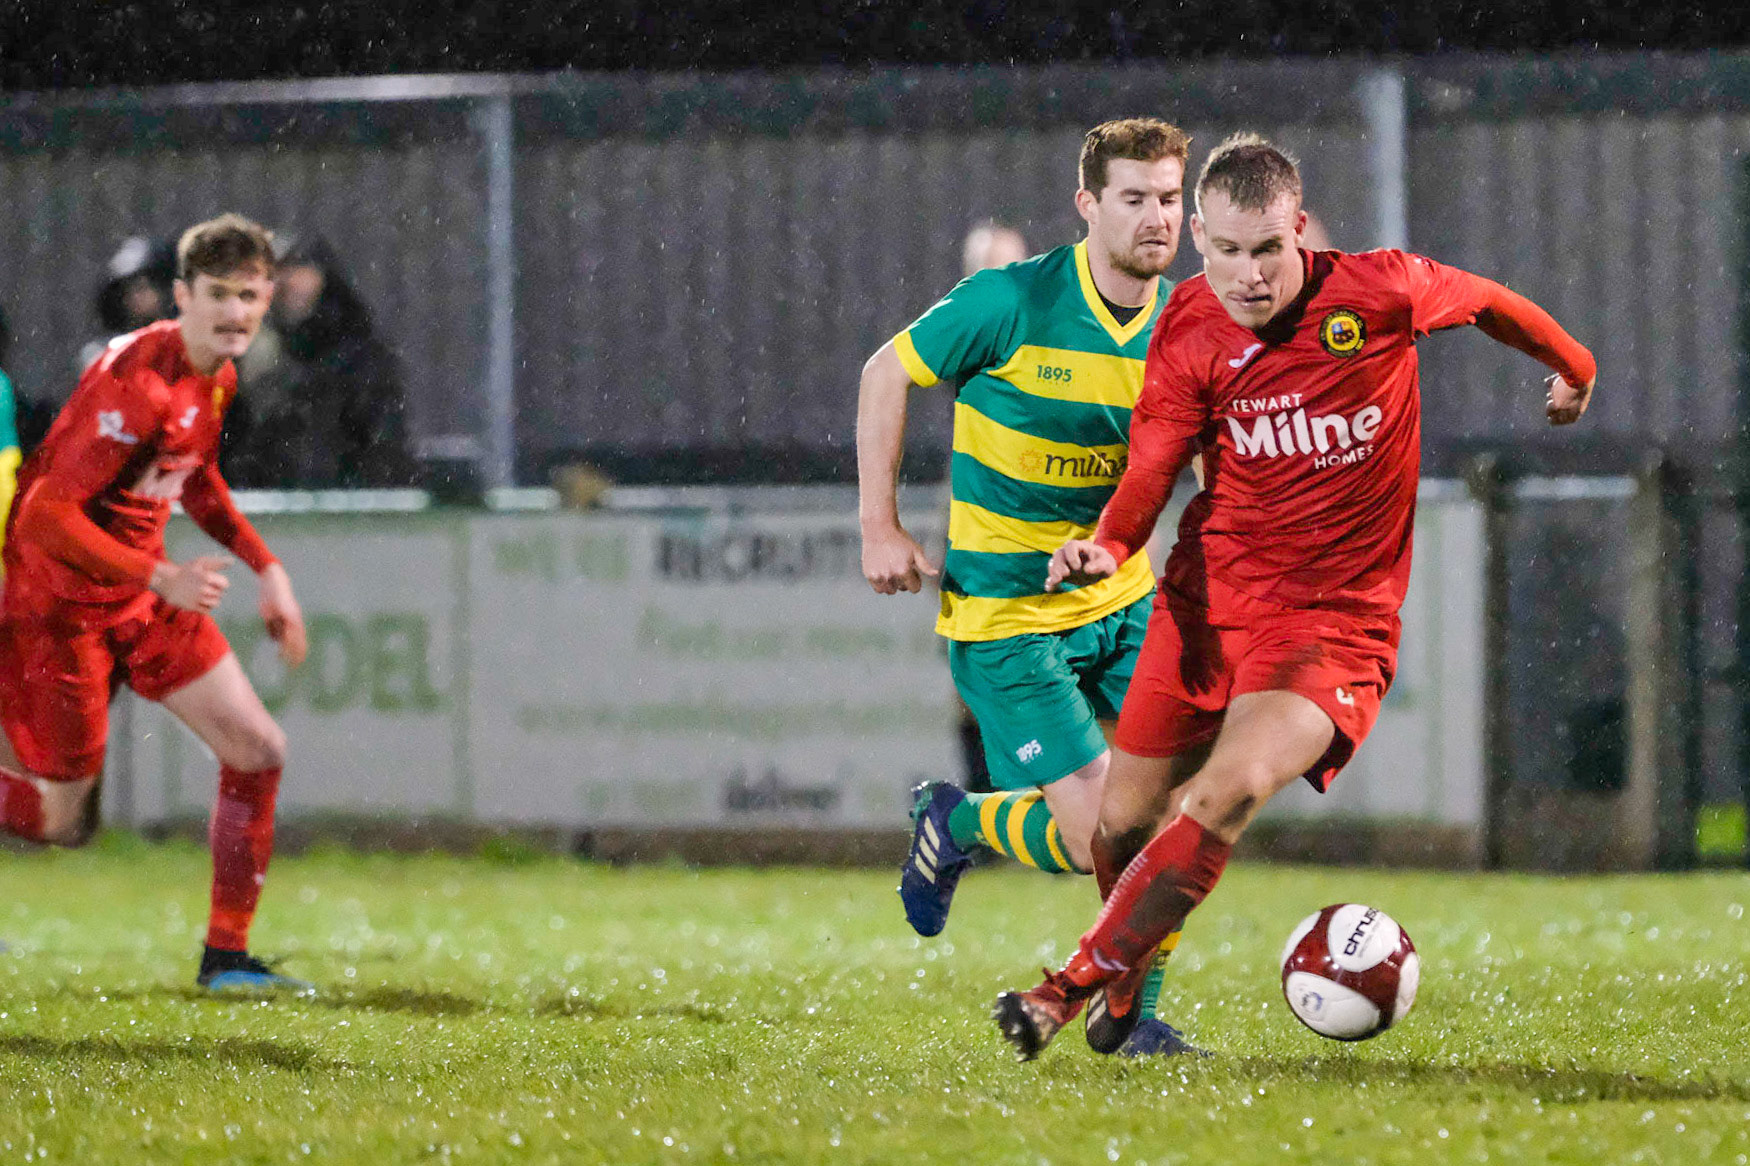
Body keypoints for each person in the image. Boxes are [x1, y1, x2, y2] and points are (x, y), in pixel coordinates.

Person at [992, 133, 1597, 1060]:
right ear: (1197, 236)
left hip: (1329, 627)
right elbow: (1153, 465)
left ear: (1300, 228)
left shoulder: (1378, 290)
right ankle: (1124, 1001)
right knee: (1119, 824)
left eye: (1267, 249)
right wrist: (1108, 543)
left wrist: (1574, 368)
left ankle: (1066, 990)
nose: (1248, 275)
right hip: (1207, 605)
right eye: (1226, 251)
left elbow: (1487, 303)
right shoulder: (1189, 327)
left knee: (1226, 794)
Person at [858, 117, 1194, 1056]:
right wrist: (878, 525)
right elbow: (885, 372)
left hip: (1124, 605)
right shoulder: (1011, 300)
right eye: (1134, 198)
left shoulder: (1188, 323)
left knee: (1163, 828)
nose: (1156, 217)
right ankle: (956, 819)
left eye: (1170, 198)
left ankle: (1128, 1020)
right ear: (1089, 205)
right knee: (1109, 837)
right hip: (1005, 617)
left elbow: (1207, 458)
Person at [0, 213, 313, 994]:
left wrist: (266, 567)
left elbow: (193, 477)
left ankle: (226, 960)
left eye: (249, 295)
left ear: (267, 298)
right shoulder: (135, 382)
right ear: (182, 295)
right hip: (58, 608)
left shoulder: (217, 374)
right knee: (59, 823)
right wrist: (158, 578)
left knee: (257, 749)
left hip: (137, 593)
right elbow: (45, 515)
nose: (235, 312)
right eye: (217, 295)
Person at [226, 234, 415, 489]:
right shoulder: (252, 351)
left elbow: (379, 446)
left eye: (299, 270)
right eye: (278, 273)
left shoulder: (359, 356)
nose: (288, 282)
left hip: (343, 506)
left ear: (324, 278)